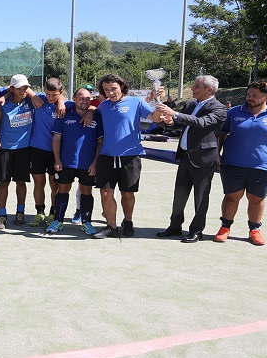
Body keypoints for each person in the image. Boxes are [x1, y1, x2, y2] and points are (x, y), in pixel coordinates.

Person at [214, 79, 267, 246]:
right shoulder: (234, 113)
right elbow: (220, 135)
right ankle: (225, 228)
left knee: (256, 199)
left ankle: (254, 230)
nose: (249, 97)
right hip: (232, 164)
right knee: (231, 197)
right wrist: (217, 155)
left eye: (254, 95)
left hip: (263, 167)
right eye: (248, 94)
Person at [92, 73, 168, 239]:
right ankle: (111, 227)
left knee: (127, 194)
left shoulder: (136, 102)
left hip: (130, 156)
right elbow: (92, 112)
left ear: (122, 87)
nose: (110, 92)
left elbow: (155, 118)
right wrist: (89, 112)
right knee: (106, 192)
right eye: (106, 90)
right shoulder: (103, 106)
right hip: (106, 156)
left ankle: (128, 221)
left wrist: (159, 102)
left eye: (113, 89)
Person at [154, 75, 227, 243]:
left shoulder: (220, 108)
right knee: (179, 194)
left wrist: (175, 113)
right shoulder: (191, 104)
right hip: (186, 156)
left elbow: (201, 123)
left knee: (200, 197)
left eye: (196, 86)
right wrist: (170, 121)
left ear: (209, 90)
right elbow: (179, 124)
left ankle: (196, 231)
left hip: (204, 159)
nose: (192, 89)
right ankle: (175, 227)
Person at [51, 86, 102, 235]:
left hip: (87, 164)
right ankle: (58, 221)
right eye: (81, 98)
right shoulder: (64, 115)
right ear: (74, 99)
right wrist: (57, 159)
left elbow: (100, 143)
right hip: (66, 162)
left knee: (86, 192)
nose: (84, 101)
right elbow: (56, 139)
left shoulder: (97, 117)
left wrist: (95, 163)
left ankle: (86, 223)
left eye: (87, 98)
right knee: (62, 191)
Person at [0, 74, 34, 229]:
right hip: (5, 149)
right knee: (4, 182)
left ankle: (20, 212)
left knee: (21, 182)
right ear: (12, 89)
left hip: (23, 149)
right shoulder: (3, 104)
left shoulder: (30, 101)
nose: (23, 91)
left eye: (25, 88)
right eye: (20, 88)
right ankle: (2, 215)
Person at [27, 78, 66, 227]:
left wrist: (61, 101)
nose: (50, 97)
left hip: (56, 153)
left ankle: (53, 212)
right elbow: (23, 87)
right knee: (39, 183)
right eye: (48, 93)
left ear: (60, 93)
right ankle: (39, 212)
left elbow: (88, 108)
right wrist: (33, 95)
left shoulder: (66, 105)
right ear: (44, 91)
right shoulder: (38, 100)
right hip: (36, 149)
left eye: (54, 95)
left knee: (54, 184)